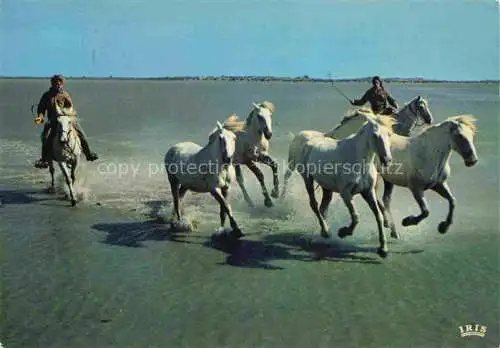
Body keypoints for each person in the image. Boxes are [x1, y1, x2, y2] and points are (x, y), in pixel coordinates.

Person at [34, 74, 98, 169]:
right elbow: (41, 109)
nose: (58, 85)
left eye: (60, 84)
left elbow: (70, 107)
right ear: (53, 84)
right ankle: (44, 160)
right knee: (45, 137)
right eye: (56, 83)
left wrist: (69, 115)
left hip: (67, 120)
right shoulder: (46, 95)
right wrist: (40, 117)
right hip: (53, 122)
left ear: (62, 84)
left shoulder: (65, 94)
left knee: (82, 134)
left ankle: (89, 154)